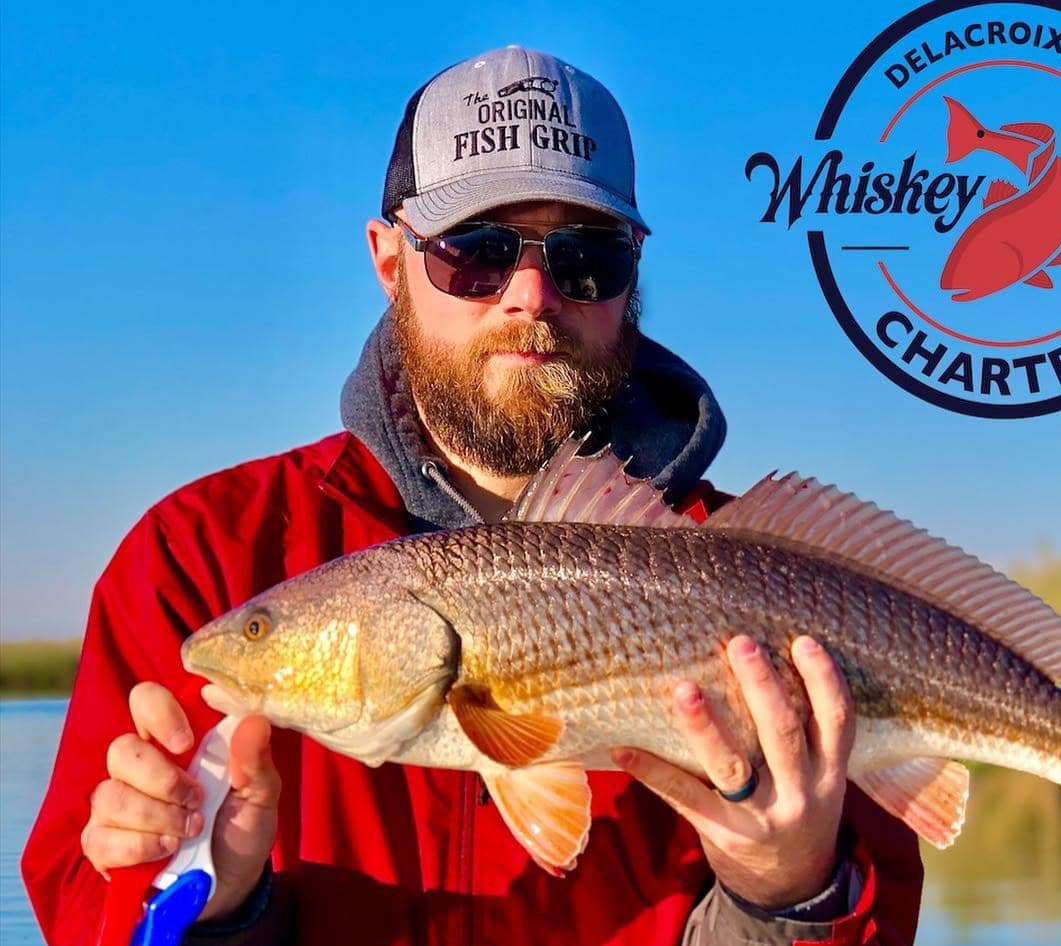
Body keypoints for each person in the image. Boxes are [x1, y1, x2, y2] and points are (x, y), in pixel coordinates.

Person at [22, 46, 923, 946]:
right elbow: (89, 908)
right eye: (475, 252)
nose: (530, 296)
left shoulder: (761, 571)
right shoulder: (197, 556)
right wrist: (208, 901)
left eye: (585, 257)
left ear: (634, 271)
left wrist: (790, 893)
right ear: (388, 259)